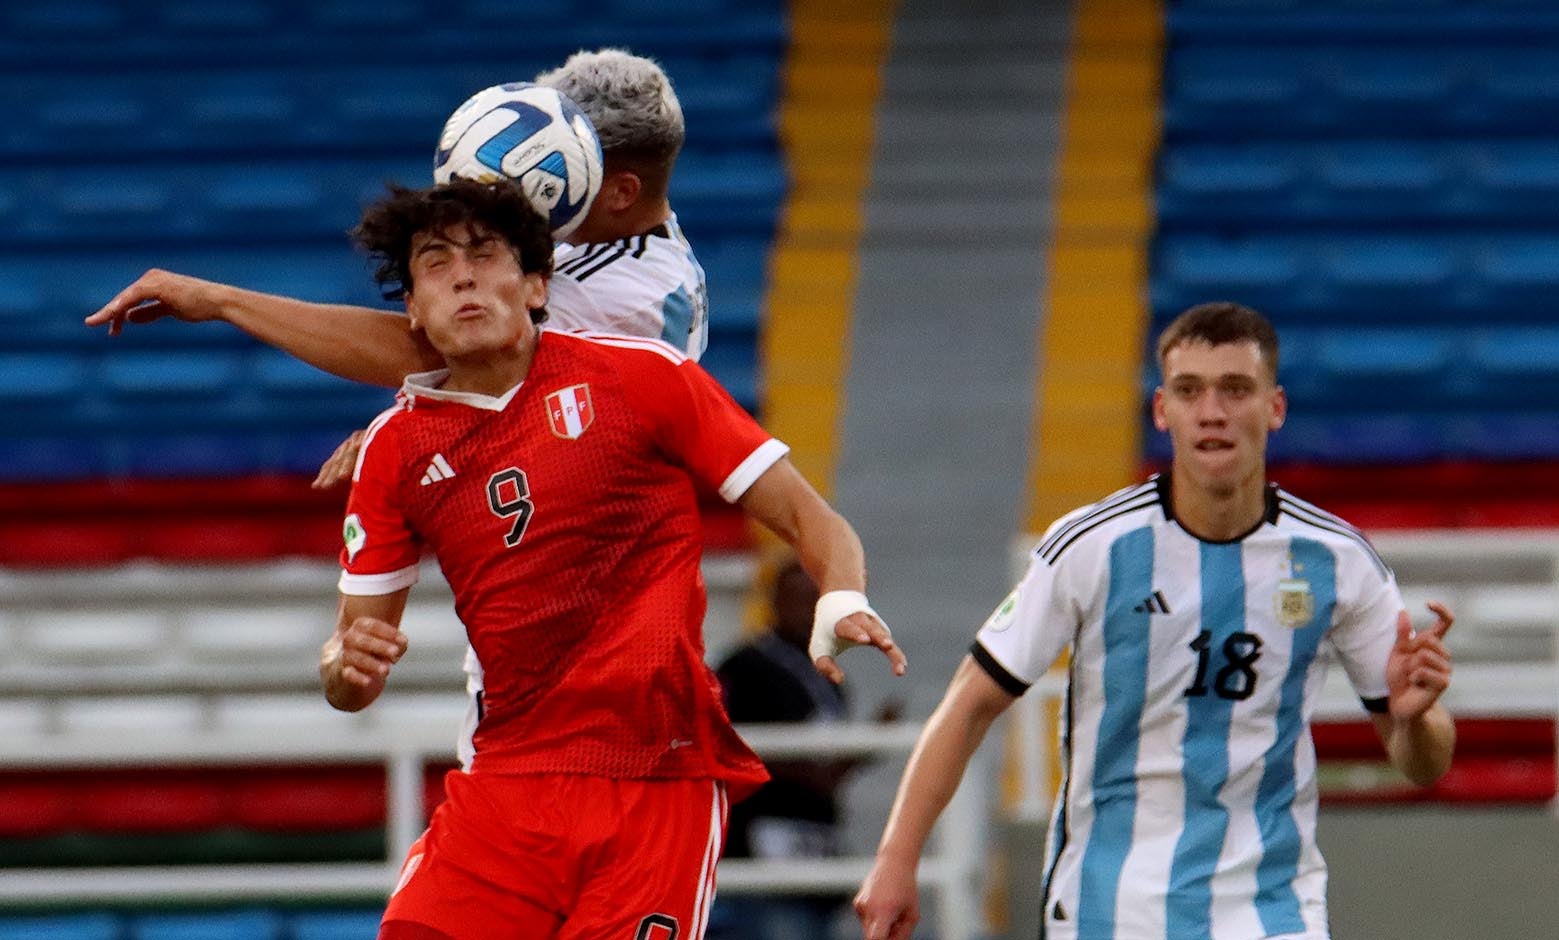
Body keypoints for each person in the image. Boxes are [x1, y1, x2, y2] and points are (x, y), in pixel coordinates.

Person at [245, 178, 896, 939]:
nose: (463, 277)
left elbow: (811, 519)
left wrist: (842, 595)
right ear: (413, 309)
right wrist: (342, 664)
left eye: (485, 255)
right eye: (436, 262)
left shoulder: (640, 376)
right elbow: (351, 675)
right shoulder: (395, 448)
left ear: (536, 286)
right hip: (505, 786)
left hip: (657, 779)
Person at [854, 302, 1456, 940]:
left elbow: (1424, 764)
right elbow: (967, 707)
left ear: (1275, 407)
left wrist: (1413, 721)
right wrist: (896, 860)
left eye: (1235, 389)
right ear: (1162, 410)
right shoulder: (1090, 546)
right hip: (1109, 907)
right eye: (1190, 391)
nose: (1212, 412)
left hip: (1270, 909)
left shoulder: (1338, 560)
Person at [85, 48, 710, 395]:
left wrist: (220, 301)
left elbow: (429, 351)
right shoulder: (593, 239)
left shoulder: (634, 295)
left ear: (620, 191)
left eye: (543, 169)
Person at [711, 560, 902, 940]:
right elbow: (725, 747)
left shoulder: (827, 677)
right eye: (796, 599)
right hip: (759, 846)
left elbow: (826, 776)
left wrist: (862, 751)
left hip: (815, 841)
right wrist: (809, 772)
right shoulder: (743, 666)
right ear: (774, 602)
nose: (806, 610)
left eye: (814, 600)